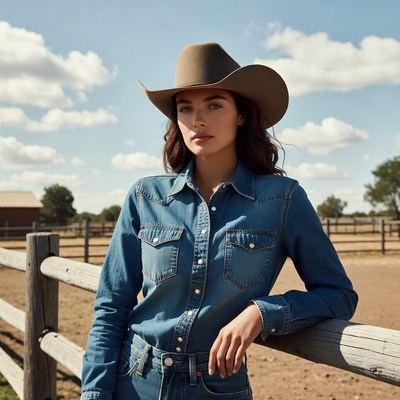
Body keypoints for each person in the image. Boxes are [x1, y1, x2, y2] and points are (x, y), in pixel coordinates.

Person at [81, 42, 358, 399]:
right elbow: (111, 305)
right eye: (186, 108)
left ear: (241, 114)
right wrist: (93, 393)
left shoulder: (282, 200)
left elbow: (338, 295)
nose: (198, 120)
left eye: (214, 104)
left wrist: (263, 312)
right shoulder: (145, 197)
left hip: (217, 388)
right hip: (134, 380)